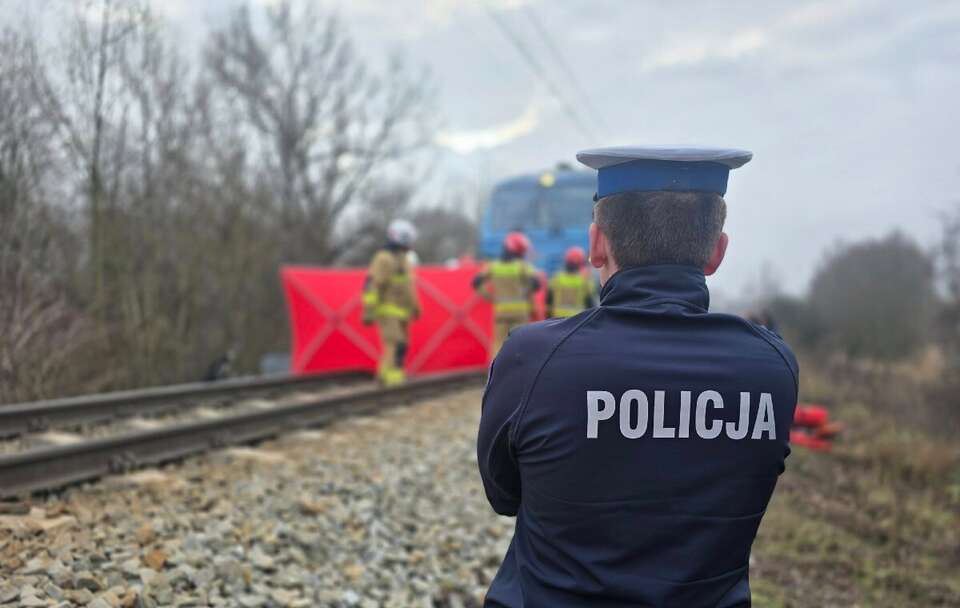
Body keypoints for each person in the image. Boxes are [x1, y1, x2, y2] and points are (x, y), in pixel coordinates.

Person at [478, 146, 799, 607]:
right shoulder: (773, 369)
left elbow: (504, 495)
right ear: (716, 252)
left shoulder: (531, 358)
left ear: (596, 244)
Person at [362, 219, 421, 386]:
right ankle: (382, 379)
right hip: (387, 310)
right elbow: (372, 284)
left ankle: (395, 380)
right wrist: (369, 310)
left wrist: (415, 307)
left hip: (402, 312)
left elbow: (409, 287)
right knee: (393, 344)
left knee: (402, 345)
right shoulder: (383, 258)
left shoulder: (404, 259)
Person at [473, 232, 541, 356]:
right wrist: (526, 293)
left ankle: (496, 372)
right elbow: (537, 283)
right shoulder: (522, 266)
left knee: (498, 344)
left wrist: (489, 297)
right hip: (520, 313)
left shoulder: (493, 266)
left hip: (501, 312)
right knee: (521, 343)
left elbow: (475, 282)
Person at [546, 246, 596, 318]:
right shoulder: (585, 281)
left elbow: (548, 302)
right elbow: (591, 305)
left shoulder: (555, 279)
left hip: (557, 321)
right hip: (577, 322)